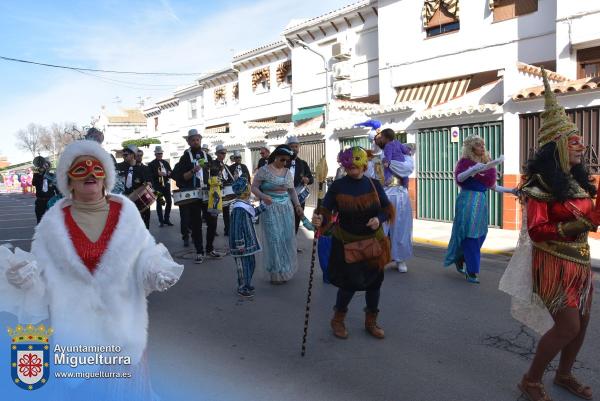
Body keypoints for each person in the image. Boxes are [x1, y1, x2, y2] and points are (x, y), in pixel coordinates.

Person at [0, 139, 182, 400]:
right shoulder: (53, 221)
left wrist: (154, 269)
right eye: (80, 169)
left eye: (96, 168)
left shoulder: (125, 211)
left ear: (106, 175)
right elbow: (41, 272)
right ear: (68, 179)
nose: (90, 174)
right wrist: (24, 277)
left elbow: (144, 252)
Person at [500, 70, 598, 401]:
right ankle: (530, 379)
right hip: (553, 263)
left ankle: (565, 374)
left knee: (582, 325)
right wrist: (584, 222)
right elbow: (537, 231)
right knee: (568, 326)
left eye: (580, 140)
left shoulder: (581, 183)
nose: (581, 145)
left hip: (581, 263)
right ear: (556, 146)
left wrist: (591, 219)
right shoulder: (539, 185)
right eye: (574, 141)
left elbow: (588, 217)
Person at [312, 146, 394, 339]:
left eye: (356, 167)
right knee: (349, 285)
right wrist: (319, 220)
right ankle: (338, 319)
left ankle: (371, 321)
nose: (352, 171)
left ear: (364, 166)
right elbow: (325, 211)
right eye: (349, 168)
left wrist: (378, 219)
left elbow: (386, 208)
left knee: (375, 284)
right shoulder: (338, 186)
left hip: (373, 243)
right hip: (347, 242)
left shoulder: (374, 184)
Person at [443, 136, 516, 283]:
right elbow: (460, 178)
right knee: (470, 234)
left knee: (481, 234)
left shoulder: (487, 165)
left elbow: (493, 186)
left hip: (481, 202)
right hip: (467, 201)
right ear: (471, 148)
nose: (482, 147)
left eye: (483, 144)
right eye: (478, 145)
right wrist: (472, 170)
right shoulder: (464, 163)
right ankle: (472, 271)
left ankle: (462, 257)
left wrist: (511, 190)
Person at [251, 144, 303, 283]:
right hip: (270, 208)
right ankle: (275, 272)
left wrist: (297, 205)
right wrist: (263, 196)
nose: (284, 163)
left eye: (287, 161)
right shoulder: (264, 171)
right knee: (274, 240)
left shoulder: (288, 172)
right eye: (282, 159)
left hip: (286, 208)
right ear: (275, 157)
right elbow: (254, 187)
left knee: (286, 238)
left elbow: (291, 191)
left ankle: (285, 270)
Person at [172, 129, 224, 262]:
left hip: (208, 192)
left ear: (200, 140)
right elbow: (179, 176)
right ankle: (200, 251)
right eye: (193, 140)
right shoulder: (185, 157)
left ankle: (210, 248)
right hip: (193, 194)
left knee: (212, 221)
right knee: (196, 224)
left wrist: (217, 172)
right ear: (189, 141)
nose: (196, 142)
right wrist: (192, 170)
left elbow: (214, 171)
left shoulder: (207, 156)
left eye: (198, 139)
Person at [375, 128, 414, 273]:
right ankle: (379, 257)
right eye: (375, 139)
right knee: (381, 226)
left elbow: (406, 169)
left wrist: (390, 164)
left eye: (379, 138)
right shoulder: (377, 157)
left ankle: (400, 258)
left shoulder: (403, 155)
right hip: (384, 194)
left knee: (401, 227)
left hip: (401, 193)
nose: (378, 141)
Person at [229, 177, 268, 298]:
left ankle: (247, 283)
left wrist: (263, 206)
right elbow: (236, 227)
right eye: (248, 186)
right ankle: (242, 287)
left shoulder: (244, 204)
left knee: (251, 263)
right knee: (243, 266)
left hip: (249, 242)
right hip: (242, 244)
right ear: (244, 190)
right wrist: (240, 243)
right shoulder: (238, 208)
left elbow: (253, 212)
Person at [115, 145, 152, 229]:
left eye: (126, 154)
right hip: (124, 202)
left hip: (139, 202)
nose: (124, 155)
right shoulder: (118, 167)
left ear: (133, 155)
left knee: (143, 228)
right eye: (123, 154)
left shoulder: (143, 169)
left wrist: (148, 184)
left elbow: (149, 185)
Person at [286, 136, 314, 235]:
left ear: (299, 147)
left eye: (296, 146)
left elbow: (311, 179)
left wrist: (307, 179)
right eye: (291, 146)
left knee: (297, 220)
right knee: (285, 221)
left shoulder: (303, 164)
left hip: (299, 198)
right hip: (284, 198)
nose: (294, 148)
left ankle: (293, 243)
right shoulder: (283, 162)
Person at [148, 146, 173, 227]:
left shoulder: (166, 163)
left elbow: (170, 172)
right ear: (155, 154)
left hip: (166, 185)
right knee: (160, 203)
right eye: (158, 153)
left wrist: (169, 173)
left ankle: (166, 219)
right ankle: (161, 221)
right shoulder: (151, 164)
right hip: (158, 187)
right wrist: (157, 174)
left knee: (169, 202)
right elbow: (150, 176)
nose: (160, 155)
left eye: (161, 153)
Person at [214, 145, 235, 236]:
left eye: (225, 153)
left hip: (225, 191)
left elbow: (229, 178)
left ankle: (227, 230)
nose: (223, 155)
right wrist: (219, 170)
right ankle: (213, 230)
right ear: (217, 154)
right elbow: (212, 177)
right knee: (215, 212)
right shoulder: (213, 164)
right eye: (222, 153)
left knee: (226, 212)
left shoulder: (226, 166)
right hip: (216, 190)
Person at [31, 158, 58, 223]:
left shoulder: (52, 176)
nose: (44, 167)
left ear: (49, 167)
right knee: (39, 220)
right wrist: (41, 174)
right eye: (43, 165)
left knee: (52, 220)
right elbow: (34, 183)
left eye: (46, 166)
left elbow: (56, 189)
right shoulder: (37, 175)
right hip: (40, 201)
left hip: (50, 200)